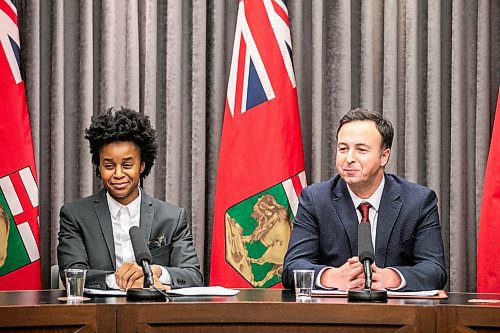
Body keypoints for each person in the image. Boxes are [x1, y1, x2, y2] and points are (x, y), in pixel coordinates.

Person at [282, 108, 446, 291]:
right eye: (343, 149)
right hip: (335, 315)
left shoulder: (418, 201)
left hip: (396, 315)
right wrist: (330, 277)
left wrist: (393, 278)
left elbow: (435, 271)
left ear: (384, 156)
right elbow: (292, 267)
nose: (349, 158)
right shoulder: (316, 200)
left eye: (361, 150)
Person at [57, 107, 203, 290]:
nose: (118, 174)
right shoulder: (75, 216)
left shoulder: (172, 218)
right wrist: (119, 280)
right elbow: (71, 273)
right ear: (99, 167)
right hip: (98, 314)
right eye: (109, 165)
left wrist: (156, 272)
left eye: (127, 165)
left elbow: (193, 276)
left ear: (141, 165)